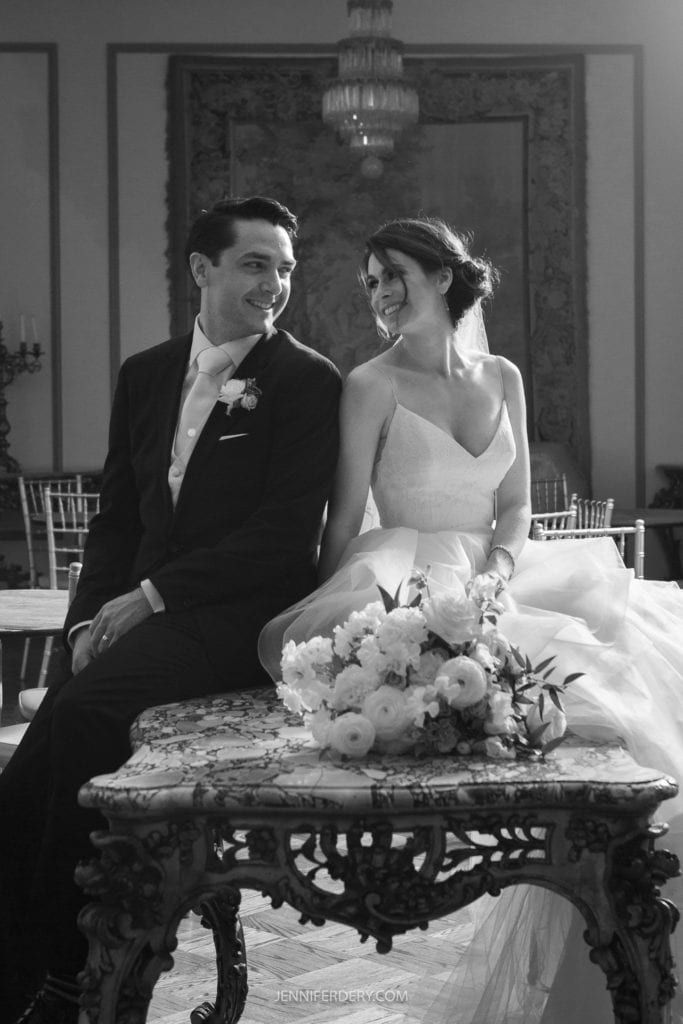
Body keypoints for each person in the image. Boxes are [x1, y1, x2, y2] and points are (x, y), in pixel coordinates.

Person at [259, 215, 683, 1023]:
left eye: (393, 274)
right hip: (402, 572)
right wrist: (316, 616)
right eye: (371, 281)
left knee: (634, 704)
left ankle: (619, 940)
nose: (380, 293)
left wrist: (496, 570)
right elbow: (343, 513)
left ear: (443, 277)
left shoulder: (503, 376)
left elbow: (517, 502)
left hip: (498, 572)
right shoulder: (369, 384)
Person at [0, 195, 342, 1024]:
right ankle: (31, 965)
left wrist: (149, 598)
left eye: (285, 268)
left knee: (79, 722)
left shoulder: (305, 381)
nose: (275, 284)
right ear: (202, 270)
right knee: (44, 744)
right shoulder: (145, 374)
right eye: (256, 263)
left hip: (240, 620)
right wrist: (88, 620)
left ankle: (62, 971)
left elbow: (284, 537)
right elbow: (118, 518)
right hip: (145, 615)